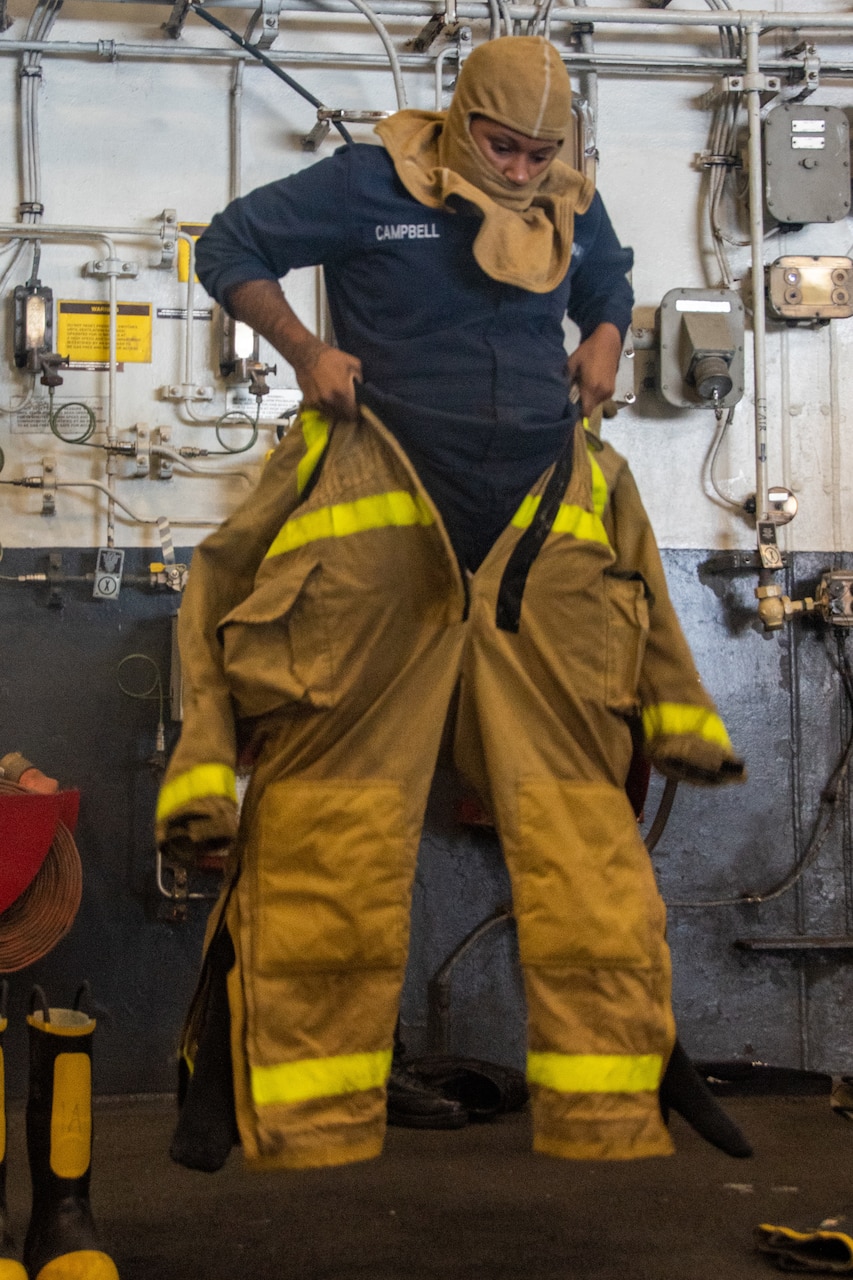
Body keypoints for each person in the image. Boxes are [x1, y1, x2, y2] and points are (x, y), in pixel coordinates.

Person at [155, 35, 745, 1173]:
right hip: (382, 517)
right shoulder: (370, 180)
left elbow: (608, 276)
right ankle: (231, 1085)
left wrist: (606, 343)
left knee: (583, 824)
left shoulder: (566, 189)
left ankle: (632, 1079)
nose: (522, 170)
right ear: (457, 116)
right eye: (501, 146)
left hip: (530, 528)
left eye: (541, 152)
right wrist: (305, 349)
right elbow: (227, 245)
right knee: (323, 823)